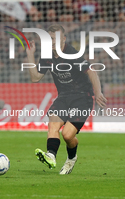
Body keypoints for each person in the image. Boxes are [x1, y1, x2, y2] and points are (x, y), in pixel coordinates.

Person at [26, 24, 107, 175]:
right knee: (53, 124)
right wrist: (30, 55)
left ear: (63, 39)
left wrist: (98, 93)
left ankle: (71, 158)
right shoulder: (46, 55)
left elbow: (92, 72)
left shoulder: (72, 54)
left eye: (55, 38)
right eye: (50, 38)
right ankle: (51, 155)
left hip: (83, 97)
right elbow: (35, 77)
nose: (52, 41)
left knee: (68, 135)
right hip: (63, 96)